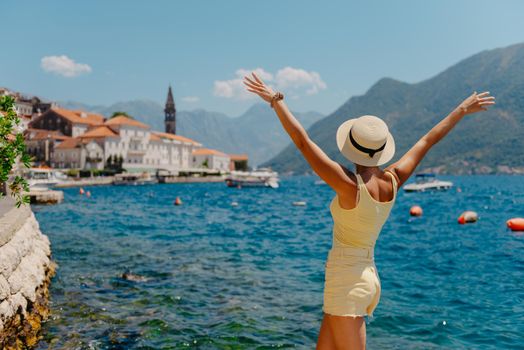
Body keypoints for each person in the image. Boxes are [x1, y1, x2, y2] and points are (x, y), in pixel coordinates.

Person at [244, 72, 495, 350]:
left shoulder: (349, 186)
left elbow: (303, 142)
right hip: (365, 277)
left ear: (351, 148)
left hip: (347, 284)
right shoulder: (393, 181)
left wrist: (276, 101)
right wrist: (461, 110)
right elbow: (426, 141)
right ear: (381, 150)